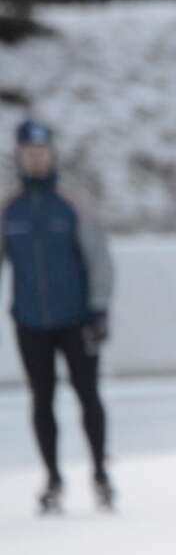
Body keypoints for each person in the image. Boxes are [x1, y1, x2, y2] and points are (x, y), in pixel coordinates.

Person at [1, 118, 115, 515]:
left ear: (51, 154)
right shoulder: (9, 206)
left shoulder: (72, 201)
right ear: (20, 156)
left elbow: (98, 257)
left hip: (76, 318)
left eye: (42, 152)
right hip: (31, 320)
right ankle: (52, 476)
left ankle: (100, 472)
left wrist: (99, 309)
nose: (36, 159)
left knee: (88, 395)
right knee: (42, 399)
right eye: (29, 153)